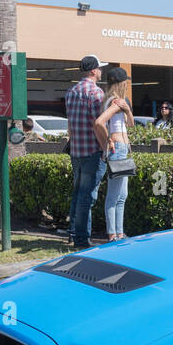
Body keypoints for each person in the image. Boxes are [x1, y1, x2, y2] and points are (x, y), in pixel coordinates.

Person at [64, 55, 108, 248]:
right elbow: (98, 124)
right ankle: (82, 239)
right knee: (87, 197)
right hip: (92, 151)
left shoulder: (71, 92)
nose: (101, 71)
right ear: (93, 71)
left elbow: (70, 125)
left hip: (76, 150)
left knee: (77, 193)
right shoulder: (97, 94)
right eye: (99, 68)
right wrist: (105, 148)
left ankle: (73, 233)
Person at [95, 67, 134, 241]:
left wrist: (127, 110)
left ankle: (119, 232)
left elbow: (131, 124)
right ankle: (113, 234)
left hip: (121, 149)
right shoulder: (115, 102)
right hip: (117, 149)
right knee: (114, 195)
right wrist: (108, 140)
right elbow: (99, 122)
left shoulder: (117, 102)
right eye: (125, 81)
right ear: (121, 83)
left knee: (122, 195)